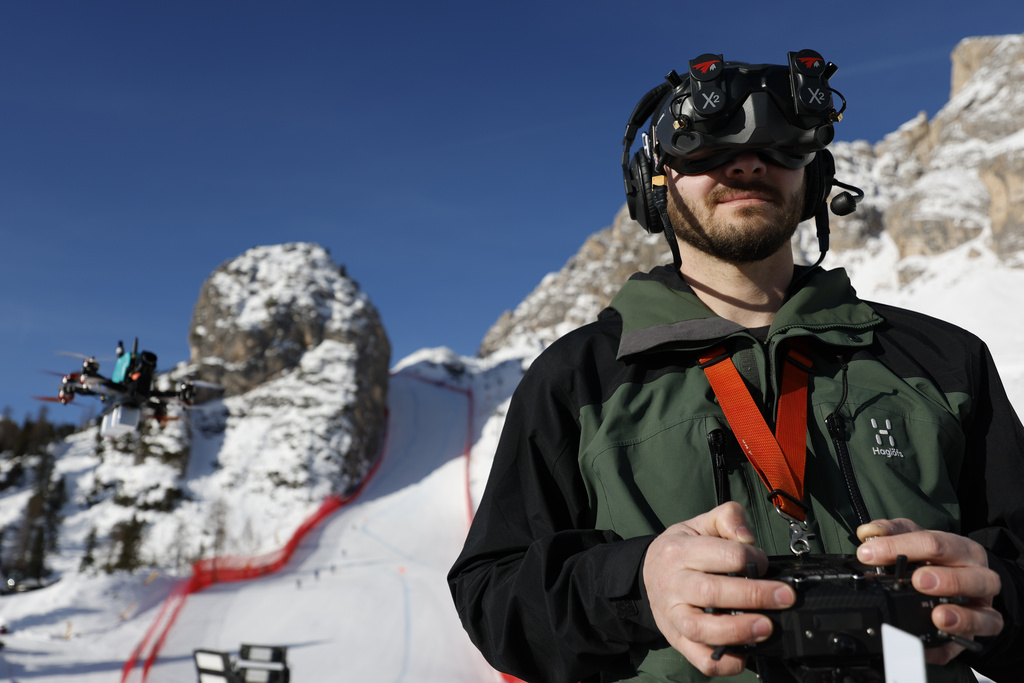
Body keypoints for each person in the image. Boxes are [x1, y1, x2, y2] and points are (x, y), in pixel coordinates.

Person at [448, 50, 1024, 683]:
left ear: (816, 176)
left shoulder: (943, 359)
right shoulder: (577, 379)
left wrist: (992, 587)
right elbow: (494, 597)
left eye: (783, 150)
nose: (749, 163)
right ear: (655, 182)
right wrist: (636, 583)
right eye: (706, 150)